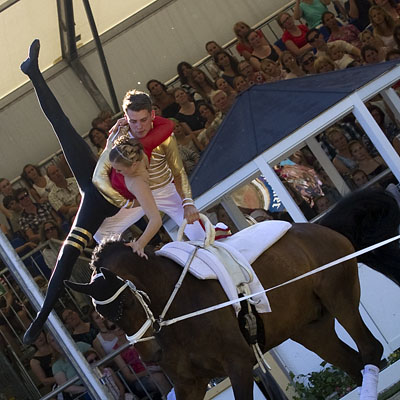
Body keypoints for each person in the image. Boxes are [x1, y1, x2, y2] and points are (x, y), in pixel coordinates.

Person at [20, 40, 177, 344]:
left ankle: (42, 316)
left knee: (68, 255)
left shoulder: (137, 182)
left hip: (99, 202)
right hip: (92, 179)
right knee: (61, 125)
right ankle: (34, 73)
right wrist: (124, 125)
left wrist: (141, 243)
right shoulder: (122, 142)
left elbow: (155, 219)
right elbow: (144, 124)